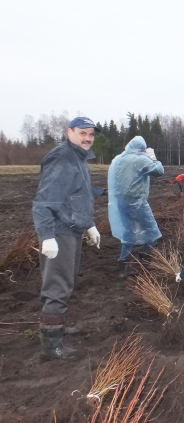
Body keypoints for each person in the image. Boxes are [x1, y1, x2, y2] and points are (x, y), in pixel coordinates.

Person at [32, 117, 102, 361]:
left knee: (67, 280)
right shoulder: (62, 158)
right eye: (82, 133)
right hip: (60, 231)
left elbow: (77, 197)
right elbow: (44, 202)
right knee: (58, 285)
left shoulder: (79, 159)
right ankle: (51, 346)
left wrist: (90, 225)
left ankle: (58, 326)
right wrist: (47, 236)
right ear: (69, 132)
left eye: (91, 134)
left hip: (73, 230)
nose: (87, 138)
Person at [108, 136, 164, 278]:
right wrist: (152, 156)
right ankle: (147, 260)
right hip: (136, 202)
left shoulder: (119, 159)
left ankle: (123, 264)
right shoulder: (140, 159)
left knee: (129, 231)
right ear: (141, 148)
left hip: (121, 201)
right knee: (152, 231)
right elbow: (159, 171)